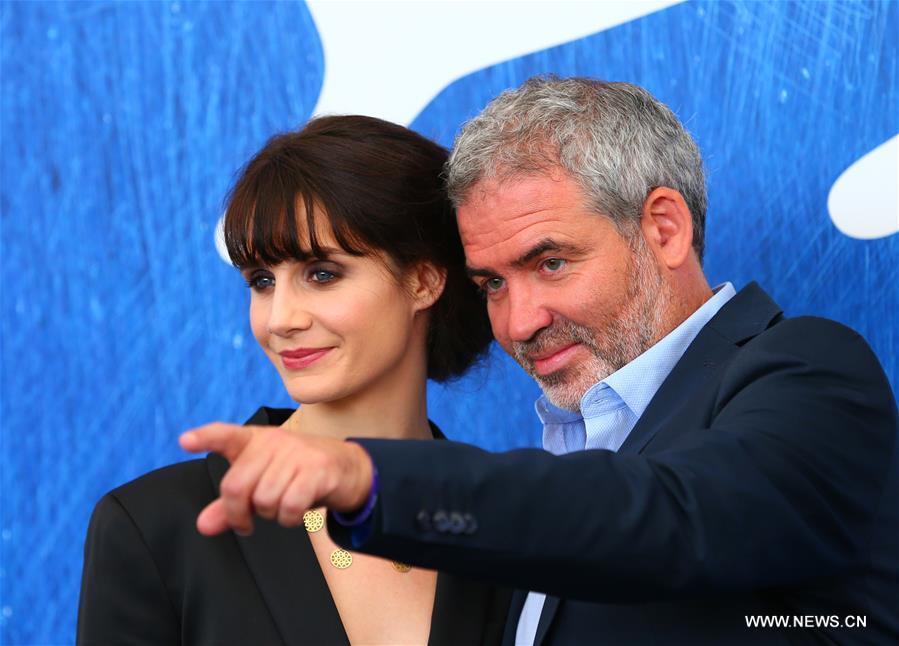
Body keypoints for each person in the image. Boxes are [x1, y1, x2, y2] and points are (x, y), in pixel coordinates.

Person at [182, 78, 899, 644]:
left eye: (551, 262)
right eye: (491, 283)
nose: (518, 322)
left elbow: (671, 516)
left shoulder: (811, 371)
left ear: (663, 227)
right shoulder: (555, 470)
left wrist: (368, 475)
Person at [76, 115, 511, 645]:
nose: (280, 318)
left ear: (423, 280)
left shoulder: (509, 523)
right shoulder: (157, 526)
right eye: (261, 281)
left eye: (321, 274)